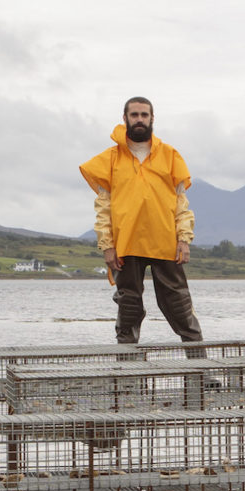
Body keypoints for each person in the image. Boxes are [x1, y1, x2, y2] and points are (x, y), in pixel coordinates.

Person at [79, 97, 203, 345]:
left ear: (152, 119)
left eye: (144, 115)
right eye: (134, 115)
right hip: (126, 244)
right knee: (129, 308)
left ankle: (200, 373)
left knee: (180, 307)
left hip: (165, 242)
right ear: (124, 118)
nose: (139, 120)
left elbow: (181, 204)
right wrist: (107, 245)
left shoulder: (170, 156)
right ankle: (128, 375)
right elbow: (103, 208)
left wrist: (184, 239)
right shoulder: (110, 159)